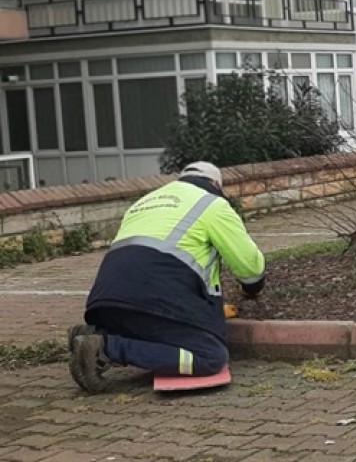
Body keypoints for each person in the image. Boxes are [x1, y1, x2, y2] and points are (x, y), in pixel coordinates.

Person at [69, 162, 266, 393]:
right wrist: (252, 287)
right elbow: (248, 265)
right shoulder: (212, 203)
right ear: (215, 184)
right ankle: (106, 349)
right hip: (157, 295)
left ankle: (95, 335)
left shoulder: (144, 202)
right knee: (209, 357)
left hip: (106, 300)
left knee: (149, 326)